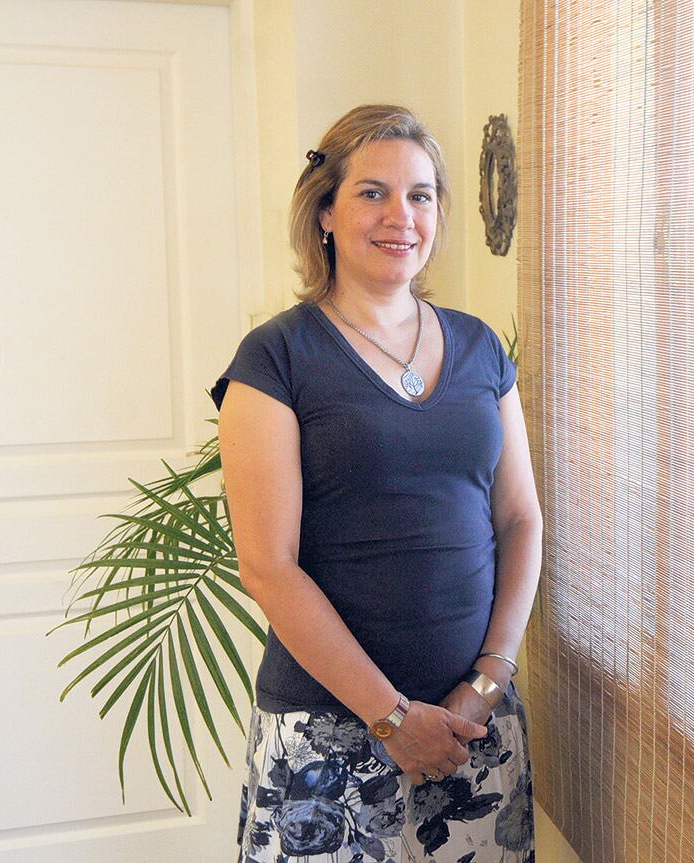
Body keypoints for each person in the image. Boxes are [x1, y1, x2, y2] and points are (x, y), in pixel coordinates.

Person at [212, 104, 542, 863]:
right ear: (325, 211)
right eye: (373, 193)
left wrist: (489, 680)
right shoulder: (275, 357)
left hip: (472, 728)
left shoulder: (479, 347)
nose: (401, 216)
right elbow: (267, 563)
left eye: (420, 195)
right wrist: (392, 718)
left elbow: (520, 518)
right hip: (326, 736)